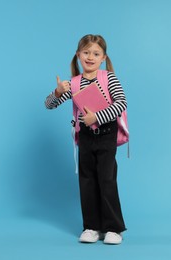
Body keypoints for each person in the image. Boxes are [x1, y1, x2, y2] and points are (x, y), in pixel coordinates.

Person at [44, 34, 127, 245]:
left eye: (96, 53)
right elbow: (49, 105)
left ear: (103, 58)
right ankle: (91, 226)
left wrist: (97, 117)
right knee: (87, 181)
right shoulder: (72, 83)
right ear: (78, 55)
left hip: (106, 134)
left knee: (107, 180)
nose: (90, 57)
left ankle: (113, 228)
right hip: (86, 136)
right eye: (86, 52)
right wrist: (57, 92)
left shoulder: (109, 78)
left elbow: (121, 103)